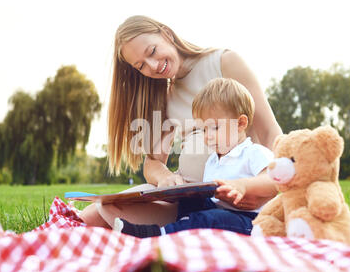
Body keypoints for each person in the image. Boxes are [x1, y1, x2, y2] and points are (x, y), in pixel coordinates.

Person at [79, 15, 282, 228]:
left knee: (106, 214)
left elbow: (271, 133)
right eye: (141, 66)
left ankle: (159, 234)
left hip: (236, 195)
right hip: (187, 198)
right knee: (95, 213)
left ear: (166, 34)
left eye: (152, 52)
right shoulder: (166, 95)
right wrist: (165, 178)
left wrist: (266, 190)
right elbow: (153, 162)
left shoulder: (224, 62)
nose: (153, 66)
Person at [112, 78, 278, 237]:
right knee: (189, 202)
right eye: (203, 130)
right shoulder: (213, 160)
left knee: (213, 218)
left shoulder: (253, 152)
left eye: (214, 128)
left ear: (240, 123)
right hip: (216, 211)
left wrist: (243, 186)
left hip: (248, 221)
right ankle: (182, 231)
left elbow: (273, 180)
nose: (208, 136)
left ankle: (158, 234)